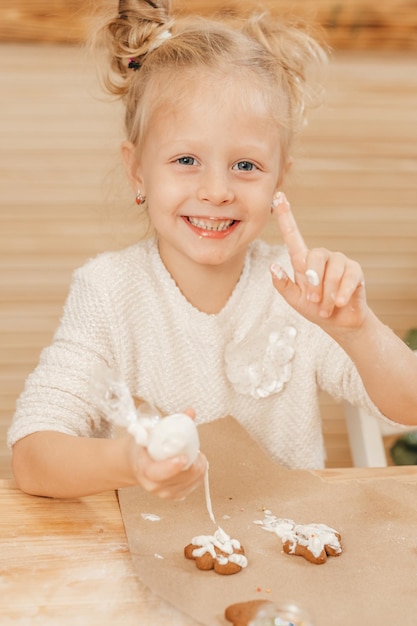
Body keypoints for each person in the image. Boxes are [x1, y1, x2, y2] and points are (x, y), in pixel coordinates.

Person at [8, 0, 417, 499]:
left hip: (287, 551)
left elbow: (408, 407)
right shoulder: (108, 291)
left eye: (246, 166)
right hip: (150, 556)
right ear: (138, 171)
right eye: (187, 159)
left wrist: (358, 332)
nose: (217, 190)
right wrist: (130, 461)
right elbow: (32, 458)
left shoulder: (299, 288)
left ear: (278, 180)